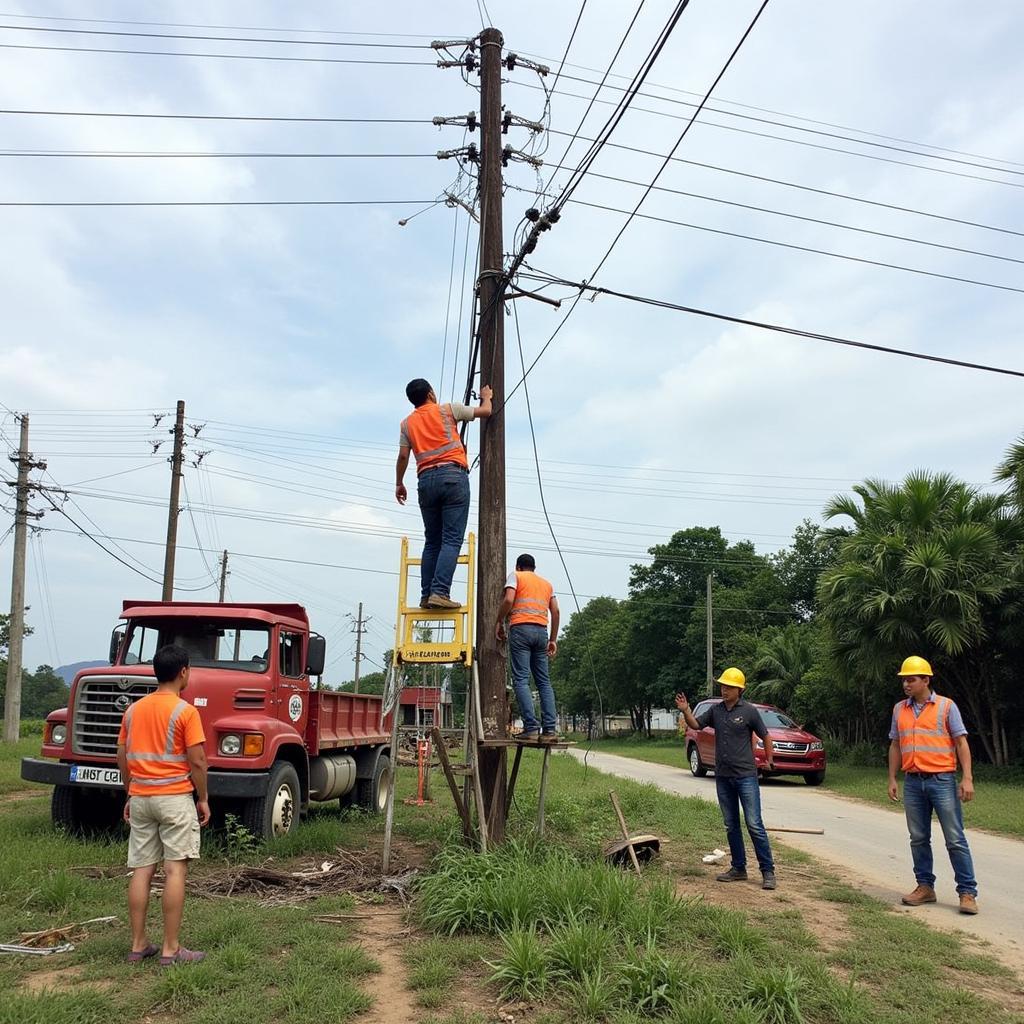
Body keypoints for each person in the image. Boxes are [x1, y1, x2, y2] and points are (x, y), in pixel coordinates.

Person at [116, 644, 210, 966]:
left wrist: (131, 793)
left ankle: (138, 944)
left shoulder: (133, 711)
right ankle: (171, 949)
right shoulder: (186, 712)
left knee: (142, 870)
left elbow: (123, 757)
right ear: (183, 672)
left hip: (141, 798)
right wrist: (204, 798)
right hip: (174, 799)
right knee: (174, 870)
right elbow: (197, 761)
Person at [887, 655, 978, 915]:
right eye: (904, 680)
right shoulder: (899, 709)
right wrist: (893, 778)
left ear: (926, 680)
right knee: (918, 838)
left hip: (942, 780)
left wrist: (967, 778)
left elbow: (961, 742)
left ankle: (967, 892)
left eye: (911, 679)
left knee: (955, 838)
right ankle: (925, 887)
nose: (906, 684)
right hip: (913, 782)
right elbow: (895, 744)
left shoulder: (947, 707)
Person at [675, 668, 777, 890]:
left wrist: (769, 759)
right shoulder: (716, 711)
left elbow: (765, 735)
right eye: (722, 686)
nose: (724, 690)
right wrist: (685, 710)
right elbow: (696, 725)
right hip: (723, 777)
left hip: (746, 776)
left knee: (754, 824)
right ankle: (738, 868)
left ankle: (767, 871)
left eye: (729, 687)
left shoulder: (749, 711)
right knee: (731, 825)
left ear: (739, 689)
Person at [395, 378, 493, 609]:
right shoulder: (448, 410)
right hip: (452, 476)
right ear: (430, 393)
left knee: (432, 541)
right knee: (451, 539)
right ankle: (440, 592)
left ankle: (427, 594)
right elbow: (486, 411)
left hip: (425, 481)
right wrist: (486, 396)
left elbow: (402, 457)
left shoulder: (406, 424)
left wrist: (399, 483)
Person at [496, 553, 560, 743]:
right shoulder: (546, 584)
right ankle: (549, 730)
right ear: (534, 567)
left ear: (519, 566)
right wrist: (553, 639)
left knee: (521, 680)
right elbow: (555, 611)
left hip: (521, 630)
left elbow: (508, 600)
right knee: (543, 682)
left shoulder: (516, 576)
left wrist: (499, 620)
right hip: (542, 632)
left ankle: (531, 727)